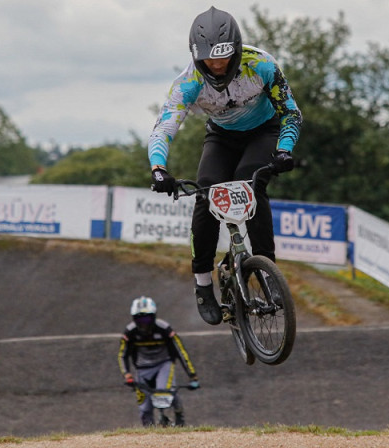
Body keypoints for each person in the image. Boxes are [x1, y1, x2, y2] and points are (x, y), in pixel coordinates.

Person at [148, 6, 302, 326]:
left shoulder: (262, 65)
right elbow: (163, 128)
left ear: (236, 49)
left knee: (250, 181)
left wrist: (285, 150)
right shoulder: (188, 82)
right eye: (208, 59)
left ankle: (267, 272)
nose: (216, 65)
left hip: (264, 132)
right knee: (206, 192)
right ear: (195, 55)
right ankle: (203, 285)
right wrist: (158, 169)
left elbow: (291, 113)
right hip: (221, 137)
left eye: (223, 57)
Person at [117, 296, 199, 427]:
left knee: (164, 393)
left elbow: (181, 351)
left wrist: (192, 375)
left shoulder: (165, 329)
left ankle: (179, 415)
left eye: (147, 319)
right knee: (144, 409)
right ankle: (149, 434)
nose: (143, 323)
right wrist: (127, 374)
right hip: (142, 369)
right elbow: (122, 355)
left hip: (163, 365)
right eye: (139, 319)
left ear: (154, 316)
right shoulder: (129, 332)